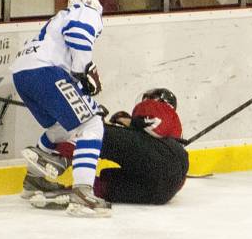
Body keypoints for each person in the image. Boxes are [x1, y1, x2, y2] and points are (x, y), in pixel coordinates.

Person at [11, 0, 110, 217]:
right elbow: (79, 34)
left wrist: (81, 85)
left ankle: (34, 181)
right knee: (91, 124)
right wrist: (82, 71)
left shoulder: (57, 20)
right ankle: (83, 194)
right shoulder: (86, 11)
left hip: (22, 73)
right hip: (44, 71)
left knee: (61, 127)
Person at [23, 88, 189, 208]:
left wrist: (128, 121)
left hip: (164, 161)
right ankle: (76, 193)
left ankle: (61, 159)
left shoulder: (161, 110)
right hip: (163, 193)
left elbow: (154, 125)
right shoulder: (171, 136)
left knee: (93, 130)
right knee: (108, 185)